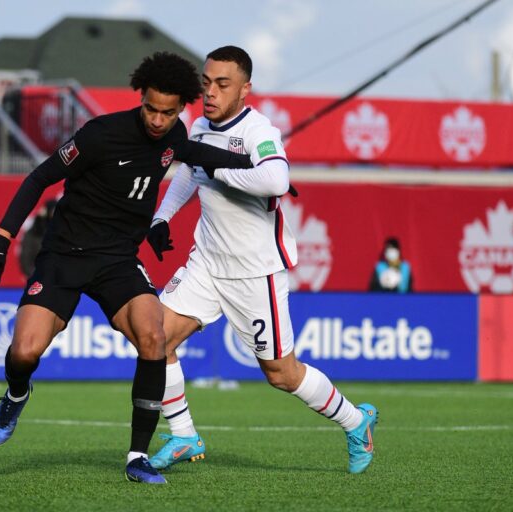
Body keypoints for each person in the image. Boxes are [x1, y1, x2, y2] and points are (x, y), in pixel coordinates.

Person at [0, 51, 254, 485]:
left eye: (168, 112)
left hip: (118, 261)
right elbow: (38, 178)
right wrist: (0, 236)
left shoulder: (174, 134)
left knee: (153, 336)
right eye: (151, 109)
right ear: (140, 97)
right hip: (64, 256)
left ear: (181, 107)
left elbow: (196, 152)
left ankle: (137, 457)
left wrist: (257, 167)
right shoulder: (99, 134)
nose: (158, 121)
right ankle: (16, 393)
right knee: (25, 352)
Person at [146, 46, 378, 474]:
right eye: (206, 83)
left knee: (281, 374)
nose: (210, 93)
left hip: (254, 273)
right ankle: (182, 434)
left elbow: (276, 178)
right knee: (153, 339)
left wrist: (219, 169)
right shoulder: (198, 126)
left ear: (245, 89)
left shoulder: (258, 130)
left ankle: (355, 420)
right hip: (206, 263)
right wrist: (162, 217)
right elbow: (188, 172)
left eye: (222, 84)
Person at [18, 198, 58, 278]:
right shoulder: (34, 232)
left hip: (60, 281)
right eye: (54, 211)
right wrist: (36, 277)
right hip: (38, 279)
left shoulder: (63, 230)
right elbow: (25, 258)